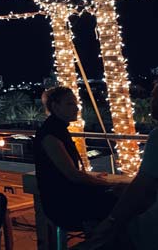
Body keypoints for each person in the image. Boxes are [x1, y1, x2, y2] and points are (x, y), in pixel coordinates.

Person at [90, 76, 158, 250]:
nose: (151, 101)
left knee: (106, 237)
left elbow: (142, 187)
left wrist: (111, 221)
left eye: (154, 96)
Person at [33, 86, 117, 230]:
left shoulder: (56, 130)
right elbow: (72, 174)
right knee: (122, 201)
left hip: (68, 197)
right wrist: (104, 183)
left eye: (76, 103)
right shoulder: (50, 135)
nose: (77, 108)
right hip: (64, 204)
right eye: (70, 104)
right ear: (55, 106)